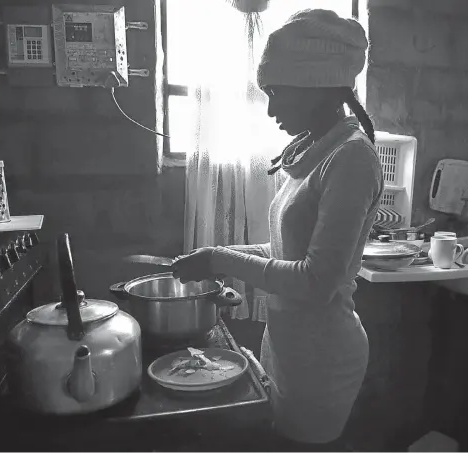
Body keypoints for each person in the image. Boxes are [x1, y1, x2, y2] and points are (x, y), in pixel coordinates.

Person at [171, 8, 384, 451]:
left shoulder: (352, 158)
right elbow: (285, 249)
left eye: (276, 92)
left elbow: (314, 281)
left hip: (322, 361)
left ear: (316, 86)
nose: (270, 109)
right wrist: (215, 253)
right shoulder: (315, 149)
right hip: (288, 348)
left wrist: (218, 260)